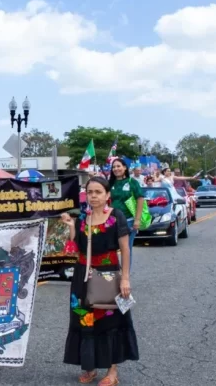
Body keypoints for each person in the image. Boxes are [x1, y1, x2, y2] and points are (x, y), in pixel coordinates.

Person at [61, 176, 138, 384]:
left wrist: (125, 279)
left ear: (107, 195)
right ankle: (90, 366)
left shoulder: (117, 216)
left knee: (111, 320)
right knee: (84, 318)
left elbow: (125, 249)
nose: (93, 196)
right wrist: (70, 226)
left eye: (98, 192)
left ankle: (112, 371)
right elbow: (74, 247)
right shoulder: (82, 218)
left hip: (109, 275)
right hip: (83, 276)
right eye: (90, 192)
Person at [108, 158, 144, 266]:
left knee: (126, 249)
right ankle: (112, 276)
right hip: (112, 221)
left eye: (118, 166)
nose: (116, 169)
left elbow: (140, 200)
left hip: (128, 221)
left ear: (124, 168)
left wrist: (137, 220)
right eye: (114, 167)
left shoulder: (132, 182)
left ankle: (125, 278)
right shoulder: (111, 183)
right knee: (110, 249)